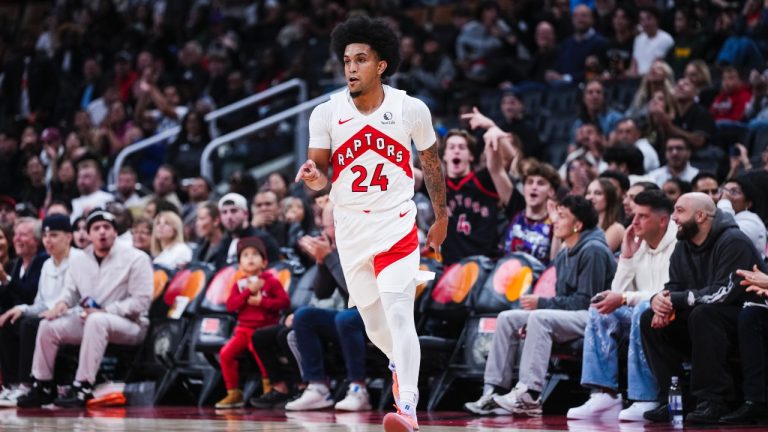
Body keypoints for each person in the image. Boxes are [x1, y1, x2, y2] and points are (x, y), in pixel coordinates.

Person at [294, 16, 448, 432]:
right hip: (350, 230)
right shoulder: (325, 114)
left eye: (360, 59)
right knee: (376, 326)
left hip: (396, 222)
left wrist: (441, 216)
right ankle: (401, 366)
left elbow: (431, 164)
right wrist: (313, 177)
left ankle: (408, 407)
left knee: (399, 314)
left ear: (381, 65)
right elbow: (320, 176)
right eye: (347, 60)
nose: (351, 68)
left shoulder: (409, 108)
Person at [464, 196, 616, 417]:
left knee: (538, 317)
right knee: (507, 318)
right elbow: (565, 300)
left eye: (562, 216)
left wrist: (541, 305)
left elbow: (586, 301)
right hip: (577, 315)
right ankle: (494, 390)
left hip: (598, 316)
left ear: (578, 224)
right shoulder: (565, 252)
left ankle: (530, 395)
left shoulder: (593, 250)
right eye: (556, 214)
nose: (554, 220)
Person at [640, 193, 766, 424]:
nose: (674, 218)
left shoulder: (733, 241)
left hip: (743, 319)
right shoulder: (683, 247)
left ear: (700, 216)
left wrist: (677, 299)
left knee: (705, 314)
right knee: (649, 318)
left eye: (679, 211)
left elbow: (724, 294)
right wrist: (660, 301)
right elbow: (674, 287)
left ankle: (714, 400)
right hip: (705, 319)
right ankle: (674, 397)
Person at [17, 211, 153, 408]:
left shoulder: (137, 258)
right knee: (48, 325)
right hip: (92, 321)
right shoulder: (79, 259)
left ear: (115, 232)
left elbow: (141, 302)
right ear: (89, 235)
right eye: (96, 228)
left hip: (132, 325)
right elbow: (70, 292)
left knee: (96, 321)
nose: (102, 232)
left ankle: (83, 385)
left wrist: (106, 311)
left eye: (107, 227)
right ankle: (43, 385)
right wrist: (60, 305)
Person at [567, 190, 677, 421]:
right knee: (601, 306)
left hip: (671, 315)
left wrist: (625, 298)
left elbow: (664, 292)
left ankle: (645, 397)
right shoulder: (640, 243)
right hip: (643, 312)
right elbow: (617, 291)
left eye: (642, 216)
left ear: (663, 220)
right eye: (634, 215)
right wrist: (626, 256)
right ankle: (604, 394)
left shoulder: (677, 243)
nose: (634, 222)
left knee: (641, 309)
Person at [280, 202, 373, 412]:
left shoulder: (366, 244)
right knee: (305, 316)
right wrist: (322, 262)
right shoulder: (337, 248)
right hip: (354, 316)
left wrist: (329, 257)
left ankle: (359, 388)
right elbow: (323, 292)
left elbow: (359, 292)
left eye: (329, 226)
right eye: (324, 226)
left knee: (346, 318)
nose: (325, 232)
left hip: (380, 315)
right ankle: (318, 387)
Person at [0, 215, 84, 407]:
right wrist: (20, 309)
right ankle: (12, 385)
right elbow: (40, 303)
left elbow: (82, 300)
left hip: (73, 316)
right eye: (46, 235)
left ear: (68, 237)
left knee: (30, 325)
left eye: (54, 235)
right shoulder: (47, 264)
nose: (48, 240)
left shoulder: (79, 260)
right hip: (48, 315)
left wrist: (55, 311)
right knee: (9, 321)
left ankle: (28, 385)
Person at [215, 237, 289, 409]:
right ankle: (233, 393)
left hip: (263, 330)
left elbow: (284, 303)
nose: (250, 258)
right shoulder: (239, 285)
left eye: (255, 254)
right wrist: (248, 292)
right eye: (245, 255)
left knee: (260, 353)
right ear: (240, 264)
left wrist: (262, 302)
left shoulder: (271, 281)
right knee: (225, 354)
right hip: (243, 330)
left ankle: (269, 390)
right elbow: (231, 306)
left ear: (264, 262)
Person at [500, 162, 560, 265]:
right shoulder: (515, 210)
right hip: (505, 276)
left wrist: (557, 226)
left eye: (540, 183)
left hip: (537, 279)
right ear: (523, 189)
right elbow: (496, 170)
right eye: (530, 182)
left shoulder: (555, 222)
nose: (534, 187)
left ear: (551, 191)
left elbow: (555, 265)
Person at [213, 192, 281, 270]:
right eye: (224, 212)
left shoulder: (262, 239)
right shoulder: (224, 243)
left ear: (245, 213)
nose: (229, 217)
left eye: (234, 211)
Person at [717, 177, 767, 255]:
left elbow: (726, 238)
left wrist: (725, 202)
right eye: (722, 190)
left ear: (748, 203)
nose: (724, 195)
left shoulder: (752, 222)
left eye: (734, 191)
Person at [585, 178, 626, 252]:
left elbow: (596, 254)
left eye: (598, 193)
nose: (590, 197)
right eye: (588, 193)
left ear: (609, 198)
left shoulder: (617, 228)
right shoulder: (582, 224)